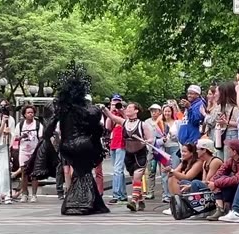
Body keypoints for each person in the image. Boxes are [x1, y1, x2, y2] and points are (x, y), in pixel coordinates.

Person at [29, 61, 110, 215]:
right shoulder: (89, 110)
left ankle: (87, 202)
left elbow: (47, 131)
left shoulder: (62, 110)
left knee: (81, 172)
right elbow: (98, 129)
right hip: (83, 146)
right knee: (84, 172)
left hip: (67, 147)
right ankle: (82, 202)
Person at [102, 102, 154, 211]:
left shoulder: (142, 125)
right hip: (129, 154)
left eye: (130, 107)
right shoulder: (124, 122)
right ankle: (140, 200)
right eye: (128, 108)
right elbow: (112, 117)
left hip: (140, 154)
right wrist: (104, 109)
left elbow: (151, 139)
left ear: (136, 111)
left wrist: (145, 141)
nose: (128, 109)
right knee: (135, 179)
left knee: (137, 177)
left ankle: (134, 201)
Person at [206, 139, 239, 221]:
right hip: (236, 186)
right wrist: (213, 182)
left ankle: (236, 213)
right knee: (221, 180)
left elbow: (238, 179)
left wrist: (215, 183)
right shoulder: (232, 160)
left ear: (234, 152)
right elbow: (220, 172)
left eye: (229, 149)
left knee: (232, 183)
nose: (227, 150)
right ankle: (220, 209)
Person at [15, 104, 44, 203]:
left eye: (32, 112)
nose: (30, 114)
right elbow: (16, 138)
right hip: (23, 151)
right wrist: (22, 136)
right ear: (24, 114)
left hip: (34, 151)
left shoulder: (38, 125)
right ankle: (24, 194)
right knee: (24, 173)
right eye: (28, 113)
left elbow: (41, 138)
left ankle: (34, 195)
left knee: (34, 173)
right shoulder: (20, 125)